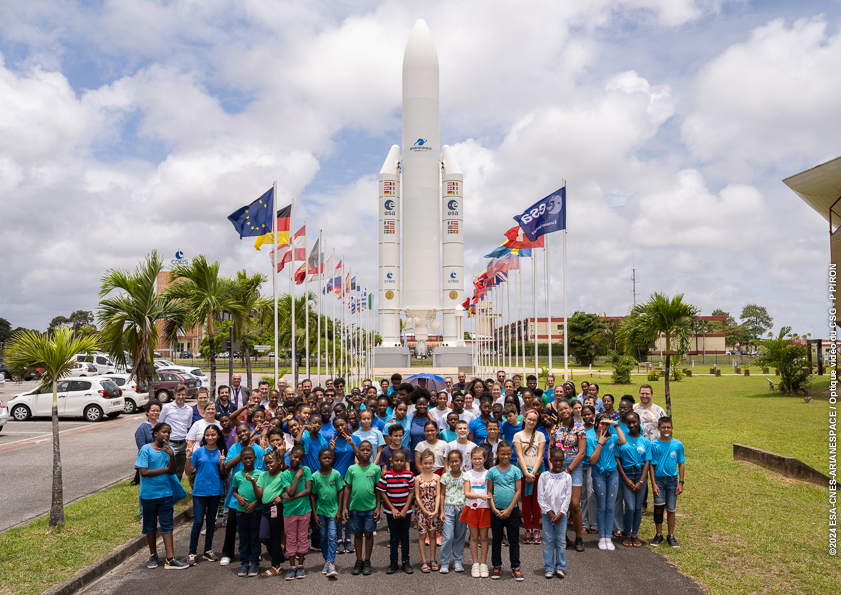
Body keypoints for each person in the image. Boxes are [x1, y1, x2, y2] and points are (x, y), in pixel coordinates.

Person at [136, 422, 188, 569]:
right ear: (155, 433)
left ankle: (170, 559)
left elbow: (172, 471)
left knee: (167, 525)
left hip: (165, 493)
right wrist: (164, 470)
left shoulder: (169, 449)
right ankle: (153, 555)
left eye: (169, 432)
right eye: (164, 432)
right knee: (150, 526)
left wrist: (172, 456)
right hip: (149, 494)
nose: (166, 435)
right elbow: (144, 472)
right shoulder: (146, 449)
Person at [220, 423, 266, 566]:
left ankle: (254, 553)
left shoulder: (258, 449)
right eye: (239, 432)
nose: (242, 434)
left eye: (245, 431)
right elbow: (226, 466)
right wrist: (242, 453)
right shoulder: (234, 448)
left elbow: (261, 472)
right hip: (236, 494)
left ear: (250, 431)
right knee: (231, 524)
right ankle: (228, 553)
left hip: (253, 494)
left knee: (253, 527)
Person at [184, 425, 227, 565]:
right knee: (197, 522)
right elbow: (189, 471)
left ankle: (208, 550)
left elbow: (223, 474)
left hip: (215, 490)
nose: (210, 437)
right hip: (200, 491)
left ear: (218, 436)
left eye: (213, 435)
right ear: (204, 437)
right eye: (207, 435)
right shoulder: (198, 452)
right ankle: (192, 552)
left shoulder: (221, 452)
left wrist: (221, 463)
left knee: (210, 522)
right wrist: (188, 456)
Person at [550, 399, 587, 552]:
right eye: (560, 409)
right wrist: (553, 467)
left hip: (574, 466)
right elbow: (550, 449)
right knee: (558, 504)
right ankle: (562, 535)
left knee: (574, 504)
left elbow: (582, 452)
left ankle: (579, 538)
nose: (564, 411)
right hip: (558, 466)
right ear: (557, 412)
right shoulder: (555, 428)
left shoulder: (579, 427)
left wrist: (569, 470)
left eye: (566, 408)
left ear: (571, 409)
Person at [587, 413, 626, 550]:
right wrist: (599, 444)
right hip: (599, 474)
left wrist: (615, 425)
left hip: (613, 474)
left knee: (610, 507)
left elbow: (623, 441)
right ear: (596, 424)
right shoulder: (591, 439)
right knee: (601, 506)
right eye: (602, 423)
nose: (604, 426)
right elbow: (592, 460)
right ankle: (601, 537)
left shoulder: (613, 437)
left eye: (607, 424)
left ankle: (608, 537)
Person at [343, 441, 382, 576]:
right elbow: (347, 488)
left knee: (369, 534)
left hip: (370, 508)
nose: (365, 452)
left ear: (372, 452)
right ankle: (358, 560)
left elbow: (378, 490)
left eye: (368, 450)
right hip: (354, 508)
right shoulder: (352, 469)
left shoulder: (375, 469)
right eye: (362, 450)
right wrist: (344, 507)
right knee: (358, 534)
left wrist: (378, 507)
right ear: (358, 452)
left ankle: (367, 561)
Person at [487, 440, 524, 580]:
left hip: (512, 511)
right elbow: (489, 492)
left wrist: (509, 509)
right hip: (496, 511)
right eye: (502, 454)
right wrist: (495, 509)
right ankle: (496, 566)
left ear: (512, 453)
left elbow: (518, 491)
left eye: (508, 454)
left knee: (514, 540)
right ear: (497, 453)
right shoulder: (492, 471)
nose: (505, 456)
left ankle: (516, 567)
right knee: (496, 540)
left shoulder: (516, 470)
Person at [376, 449, 415, 574]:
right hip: (390, 511)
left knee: (404, 536)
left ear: (405, 461)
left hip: (406, 512)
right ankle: (393, 562)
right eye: (396, 460)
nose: (399, 462)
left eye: (401, 460)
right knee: (393, 537)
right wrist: (392, 508)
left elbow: (411, 493)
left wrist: (404, 509)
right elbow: (382, 492)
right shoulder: (386, 475)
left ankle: (405, 561)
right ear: (391, 462)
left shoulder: (409, 475)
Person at [649, 417, 685, 548]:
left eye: (668, 427)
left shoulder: (677, 444)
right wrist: (653, 483)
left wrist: (681, 482)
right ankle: (659, 534)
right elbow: (651, 466)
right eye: (663, 427)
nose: (666, 430)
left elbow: (681, 464)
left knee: (671, 508)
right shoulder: (653, 445)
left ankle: (671, 535)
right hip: (658, 480)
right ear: (658, 428)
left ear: (672, 428)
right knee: (658, 508)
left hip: (672, 481)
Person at [616, 412, 651, 547]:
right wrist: (625, 479)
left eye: (634, 422)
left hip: (640, 474)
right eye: (629, 423)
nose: (631, 425)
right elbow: (617, 459)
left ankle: (634, 535)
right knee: (629, 507)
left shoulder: (645, 441)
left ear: (639, 422)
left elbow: (647, 462)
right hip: (627, 475)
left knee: (637, 507)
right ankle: (628, 533)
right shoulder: (622, 440)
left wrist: (642, 481)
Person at [278, 444, 312, 579]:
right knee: (291, 539)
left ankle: (300, 565)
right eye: (295, 456)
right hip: (289, 513)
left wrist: (292, 497)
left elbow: (308, 490)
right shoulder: (284, 475)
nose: (297, 460)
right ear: (289, 456)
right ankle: (292, 567)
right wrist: (297, 477)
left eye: (300, 458)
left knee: (303, 538)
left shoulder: (307, 470)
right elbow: (290, 491)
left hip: (304, 511)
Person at [537, 448, 572, 579]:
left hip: (561, 516)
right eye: (555, 460)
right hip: (547, 515)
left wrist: (561, 514)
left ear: (564, 461)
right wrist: (550, 513)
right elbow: (540, 497)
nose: (558, 463)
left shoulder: (567, 477)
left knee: (561, 541)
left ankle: (561, 566)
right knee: (548, 540)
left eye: (561, 460)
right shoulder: (544, 476)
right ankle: (549, 567)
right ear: (550, 460)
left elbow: (567, 497)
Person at [512, 409, 545, 546]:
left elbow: (540, 455)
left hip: (537, 473)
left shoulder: (540, 436)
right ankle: (527, 529)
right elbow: (519, 455)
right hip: (523, 473)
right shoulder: (518, 435)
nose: (531, 422)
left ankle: (536, 529)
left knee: (536, 502)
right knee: (525, 502)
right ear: (524, 419)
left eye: (534, 420)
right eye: (529, 419)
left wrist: (533, 472)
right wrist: (526, 472)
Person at [310, 447, 344, 577]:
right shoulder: (315, 476)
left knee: (332, 536)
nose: (327, 460)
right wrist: (314, 514)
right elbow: (312, 495)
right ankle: (326, 560)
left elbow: (340, 491)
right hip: (320, 511)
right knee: (323, 537)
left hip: (333, 511)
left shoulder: (336, 474)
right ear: (319, 460)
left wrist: (340, 509)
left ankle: (331, 563)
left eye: (329, 458)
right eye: (324, 458)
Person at [254, 449, 287, 577]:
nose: (268, 465)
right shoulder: (263, 475)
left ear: (279, 461)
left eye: (271, 462)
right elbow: (259, 494)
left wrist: (282, 499)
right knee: (263, 536)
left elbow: (289, 491)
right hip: (265, 508)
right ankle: (278, 552)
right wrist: (253, 482)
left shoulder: (283, 475)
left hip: (275, 508)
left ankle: (276, 566)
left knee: (274, 536)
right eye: (266, 463)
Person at [232, 446, 263, 577]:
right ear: (241, 460)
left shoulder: (260, 474)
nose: (248, 460)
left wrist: (254, 503)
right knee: (244, 538)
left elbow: (263, 495)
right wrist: (238, 497)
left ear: (255, 458)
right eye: (245, 458)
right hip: (241, 511)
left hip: (256, 511)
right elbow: (234, 491)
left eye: (250, 457)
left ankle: (254, 563)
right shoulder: (237, 475)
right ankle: (244, 563)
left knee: (255, 537)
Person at [634, 384, 665, 514]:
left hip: (656, 449)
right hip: (638, 450)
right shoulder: (634, 409)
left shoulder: (659, 410)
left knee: (658, 476)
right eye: (642, 393)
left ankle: (661, 504)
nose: (644, 396)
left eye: (647, 393)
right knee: (642, 476)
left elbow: (665, 428)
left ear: (651, 395)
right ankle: (642, 504)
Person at [461, 447, 491, 578]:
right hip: (472, 509)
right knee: (473, 537)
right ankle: (475, 563)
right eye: (475, 459)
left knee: (484, 538)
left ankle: (484, 564)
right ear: (471, 459)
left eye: (480, 458)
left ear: (485, 459)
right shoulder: (468, 474)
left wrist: (486, 498)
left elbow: (490, 492)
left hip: (485, 509)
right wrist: (480, 497)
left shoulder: (489, 474)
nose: (477, 461)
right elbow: (467, 493)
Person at [412, 449, 442, 572]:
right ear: (421, 463)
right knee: (422, 535)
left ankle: (433, 559)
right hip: (421, 510)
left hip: (434, 510)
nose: (428, 465)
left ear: (434, 462)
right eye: (425, 463)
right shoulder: (417, 478)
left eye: (430, 463)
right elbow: (417, 496)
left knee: (433, 535)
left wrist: (436, 510)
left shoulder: (437, 477)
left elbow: (439, 495)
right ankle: (424, 561)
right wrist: (424, 510)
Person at [438, 449, 467, 574]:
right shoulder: (445, 476)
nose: (454, 463)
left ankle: (457, 560)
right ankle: (444, 562)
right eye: (451, 461)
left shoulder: (466, 476)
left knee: (460, 536)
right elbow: (442, 494)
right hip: (448, 509)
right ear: (448, 462)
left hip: (462, 508)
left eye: (456, 461)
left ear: (461, 461)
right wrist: (441, 511)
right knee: (448, 536)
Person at [159, 385, 193, 480]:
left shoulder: (189, 410)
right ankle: (166, 489)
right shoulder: (166, 408)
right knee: (167, 467)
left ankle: (176, 490)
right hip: (170, 443)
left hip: (183, 443)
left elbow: (188, 425)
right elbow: (160, 423)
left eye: (183, 394)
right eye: (178, 395)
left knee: (179, 470)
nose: (180, 397)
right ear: (174, 395)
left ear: (186, 395)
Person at [580, 405, 598, 535]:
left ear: (594, 414)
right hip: (580, 465)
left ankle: (594, 523)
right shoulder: (579, 429)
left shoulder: (596, 429)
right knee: (582, 495)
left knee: (592, 494)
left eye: (589, 414)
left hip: (593, 465)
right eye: (584, 414)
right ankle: (584, 523)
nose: (587, 417)